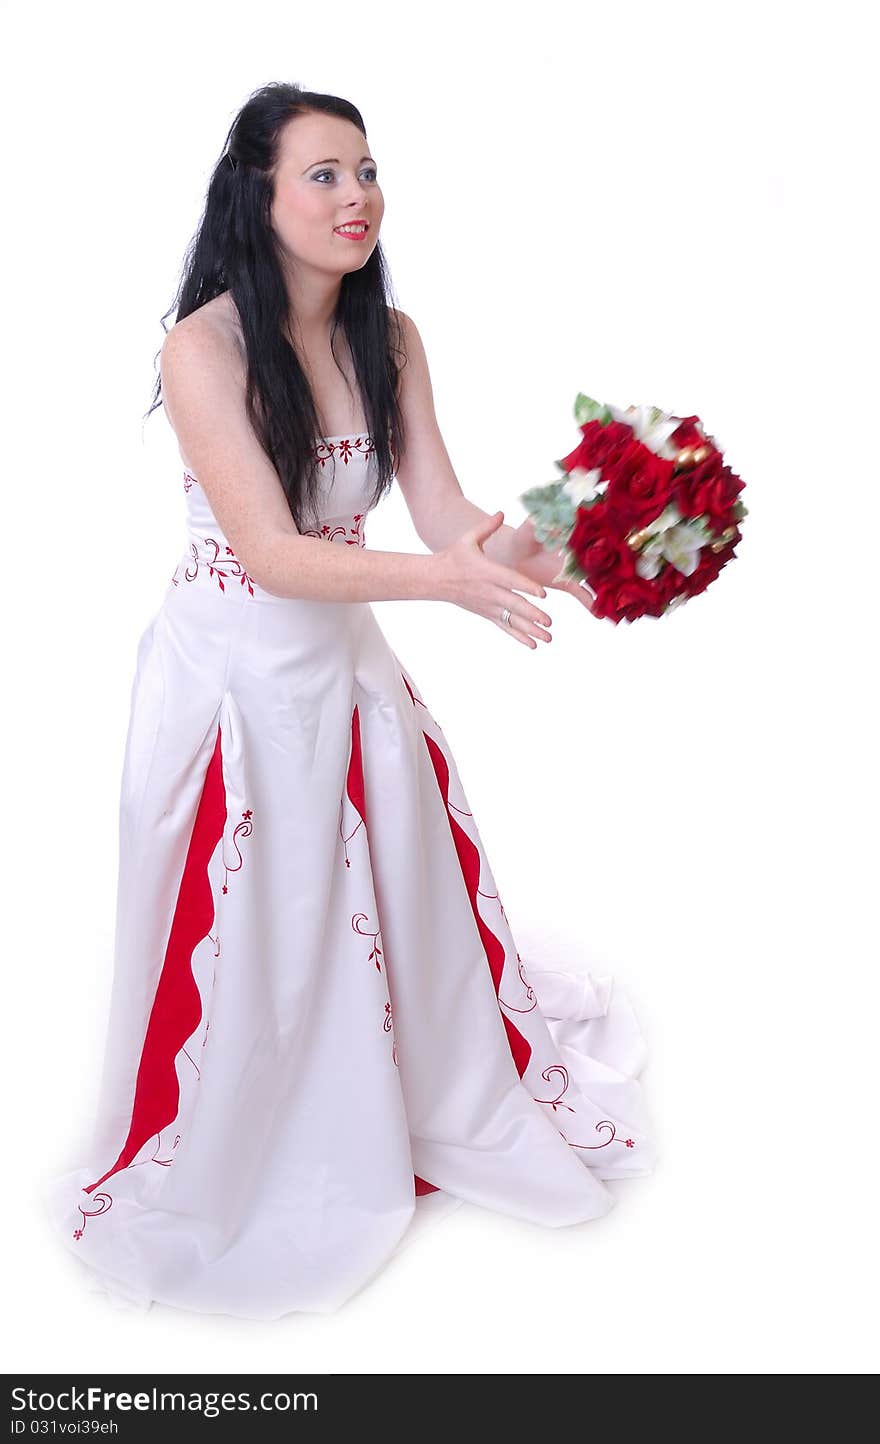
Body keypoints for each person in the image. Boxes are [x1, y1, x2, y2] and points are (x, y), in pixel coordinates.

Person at [41, 82, 655, 1320]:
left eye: (367, 170)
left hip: (348, 662)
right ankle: (259, 1137)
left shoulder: (395, 338)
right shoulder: (203, 346)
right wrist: (450, 584)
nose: (356, 196)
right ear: (257, 195)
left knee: (396, 895)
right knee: (256, 929)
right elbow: (271, 551)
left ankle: (405, 1089)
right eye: (322, 173)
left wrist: (598, 521)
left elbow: (445, 516)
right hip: (234, 672)